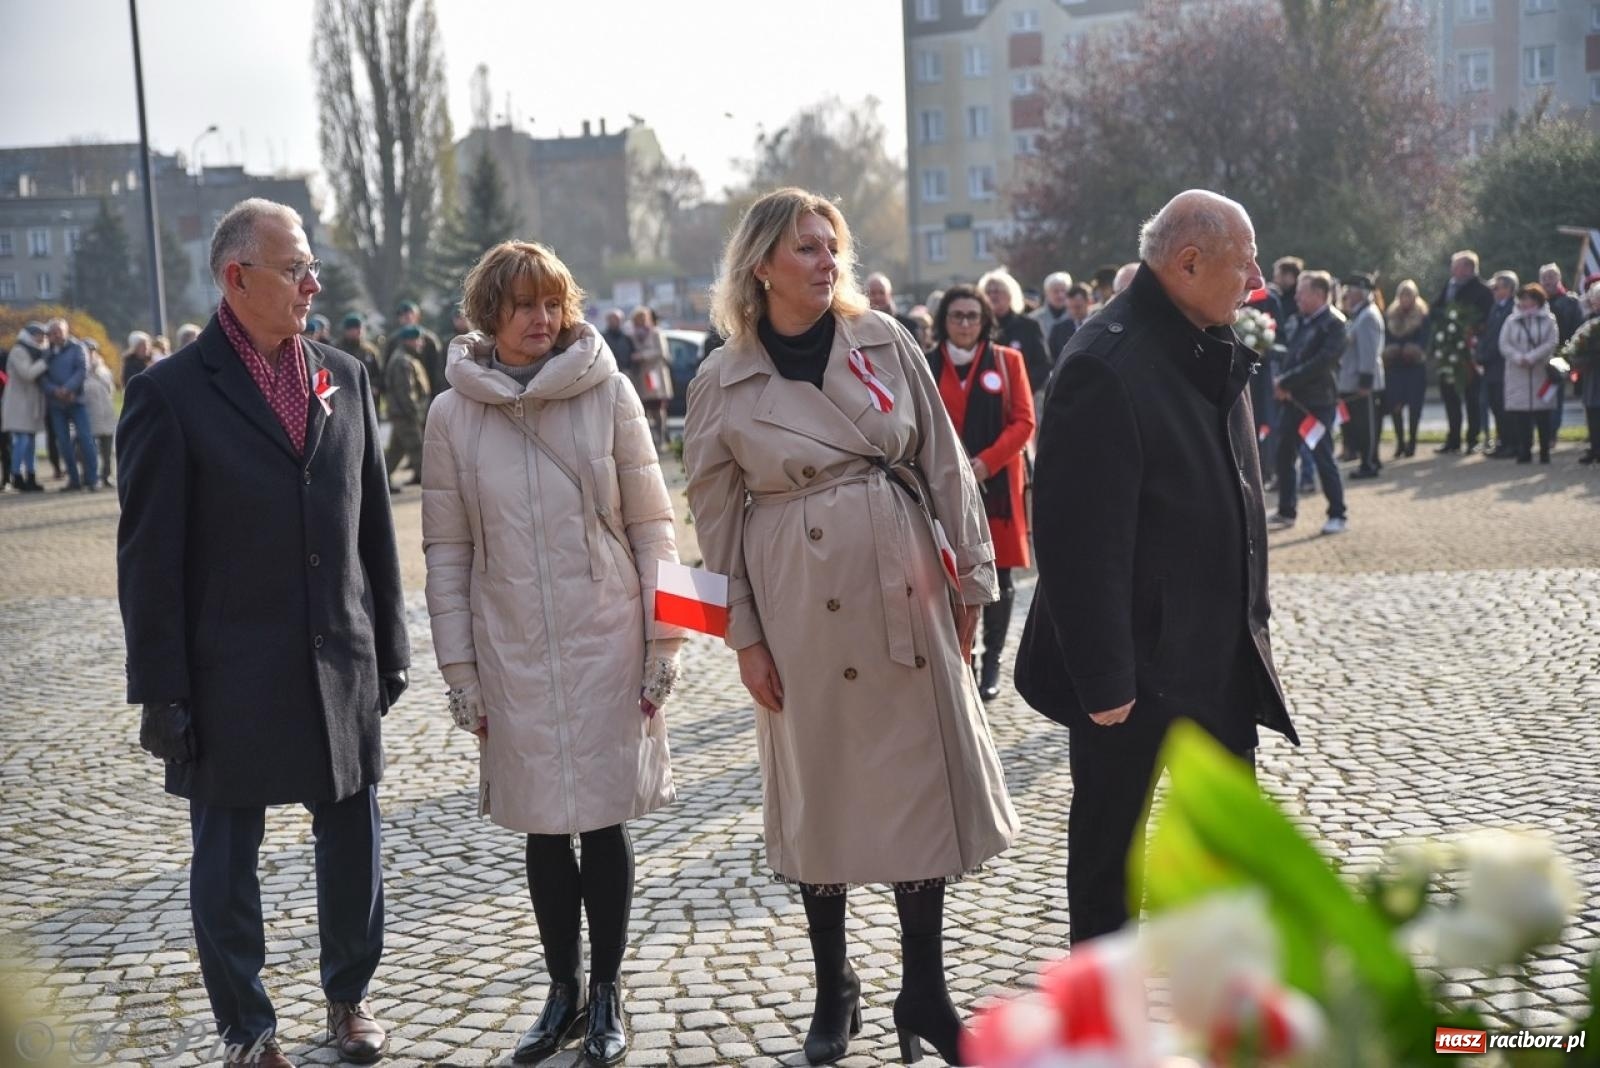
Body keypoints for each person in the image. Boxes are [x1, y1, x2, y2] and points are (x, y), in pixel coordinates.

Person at [684, 187, 1017, 1066]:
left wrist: (973, 577)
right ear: (761, 265)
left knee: (916, 793)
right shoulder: (723, 378)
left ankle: (926, 992)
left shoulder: (886, 340)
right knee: (819, 794)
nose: (827, 261)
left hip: (901, 582)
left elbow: (943, 460)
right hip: (799, 603)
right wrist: (744, 637)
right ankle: (834, 986)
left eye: (832, 245)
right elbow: (712, 524)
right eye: (806, 248)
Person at [116, 198, 408, 1068]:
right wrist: (161, 690)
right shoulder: (166, 394)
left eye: (311, 266)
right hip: (227, 669)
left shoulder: (344, 377)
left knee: (353, 837)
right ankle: (248, 1027)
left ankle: (349, 1000)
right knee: (227, 855)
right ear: (236, 278)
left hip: (339, 656)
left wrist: (388, 642)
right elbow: (148, 563)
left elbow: (373, 532)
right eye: (294, 269)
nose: (311, 283)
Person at [423, 240, 683, 1067]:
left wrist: (664, 638)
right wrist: (459, 670)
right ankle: (561, 989)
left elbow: (652, 524)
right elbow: (447, 552)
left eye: (554, 303)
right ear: (488, 315)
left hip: (606, 632)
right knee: (541, 824)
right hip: (512, 643)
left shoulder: (609, 393)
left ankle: (606, 992)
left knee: (602, 819)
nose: (542, 319)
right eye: (525, 305)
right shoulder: (450, 415)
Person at [1014, 190, 1296, 944]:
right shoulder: (1107, 362)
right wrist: (1104, 680)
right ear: (1188, 262)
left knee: (1234, 860)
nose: (1258, 277)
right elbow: (1077, 540)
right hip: (1133, 677)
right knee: (1111, 868)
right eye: (1245, 262)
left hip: (1216, 661)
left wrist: (1250, 628)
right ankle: (1108, 1035)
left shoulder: (1205, 333)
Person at [926, 285, 1036, 703]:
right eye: (958, 316)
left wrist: (985, 462)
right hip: (943, 487)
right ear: (944, 321)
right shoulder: (925, 363)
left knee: (1000, 577)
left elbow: (1024, 422)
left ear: (985, 320)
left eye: (973, 316)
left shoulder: (1008, 363)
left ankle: (992, 662)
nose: (966, 324)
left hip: (996, 489)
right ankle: (963, 660)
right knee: (951, 578)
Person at [1270, 271, 1348, 534]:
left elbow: (1321, 363)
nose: (1297, 297)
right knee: (1284, 454)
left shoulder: (1335, 324)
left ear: (1318, 294)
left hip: (1317, 403)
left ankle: (1338, 514)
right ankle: (1286, 510)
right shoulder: (1301, 321)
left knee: (1323, 457)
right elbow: (1293, 355)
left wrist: (1285, 382)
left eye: (1302, 293)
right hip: (1291, 401)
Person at [1430, 251, 1495, 454]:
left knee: (1472, 397)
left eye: (1456, 266)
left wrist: (1470, 329)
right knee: (1449, 395)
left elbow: (1486, 320)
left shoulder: (1483, 291)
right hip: (1449, 349)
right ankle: (1453, 439)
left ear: (1468, 268)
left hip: (1470, 352)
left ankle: (1472, 439)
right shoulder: (1449, 286)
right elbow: (1435, 309)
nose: (1453, 270)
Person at [1499, 283, 1560, 465]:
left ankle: (1544, 452)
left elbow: (1551, 342)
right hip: (1518, 373)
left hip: (1540, 372)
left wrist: (1533, 357)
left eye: (1530, 299)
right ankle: (1524, 451)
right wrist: (1519, 358)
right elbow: (1504, 344)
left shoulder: (1548, 320)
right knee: (1522, 416)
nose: (1526, 302)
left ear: (1538, 300)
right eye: (1523, 298)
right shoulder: (1511, 320)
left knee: (1543, 416)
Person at [1338, 274, 1385, 479]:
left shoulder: (1367, 317)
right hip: (1354, 379)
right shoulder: (1360, 314)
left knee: (1366, 425)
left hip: (1362, 381)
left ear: (1362, 293)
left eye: (1351, 290)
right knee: (1361, 424)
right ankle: (1369, 460)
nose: (1346, 294)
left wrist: (1365, 382)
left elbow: (1369, 353)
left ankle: (1368, 464)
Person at [42, 319, 97, 492]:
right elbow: (42, 377)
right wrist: (55, 391)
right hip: (56, 404)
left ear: (66, 331)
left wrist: (67, 388)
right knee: (63, 443)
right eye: (53, 332)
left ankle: (91, 479)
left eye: (59, 331)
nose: (56, 335)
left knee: (86, 439)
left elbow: (82, 370)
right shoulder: (46, 353)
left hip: (76, 401)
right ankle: (74, 480)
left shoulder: (78, 347)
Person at [980, 269, 1049, 404]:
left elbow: (1043, 365)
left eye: (997, 291)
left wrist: (1021, 388)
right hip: (986, 400)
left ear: (1010, 294)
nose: (993, 296)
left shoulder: (1029, 326)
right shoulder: (979, 328)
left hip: (1023, 398)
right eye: (988, 292)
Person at [1383, 281, 1430, 459]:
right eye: (1403, 295)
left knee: (1414, 408)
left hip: (1414, 368)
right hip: (1395, 367)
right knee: (1395, 406)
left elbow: (1425, 340)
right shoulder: (1390, 316)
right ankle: (1400, 441)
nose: (1405, 299)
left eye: (1409, 295)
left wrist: (1414, 350)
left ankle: (1412, 442)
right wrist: (1390, 351)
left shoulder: (1422, 316)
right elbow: (1386, 339)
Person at [3, 323, 50, 492]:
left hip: (31, 403)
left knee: (30, 442)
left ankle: (31, 476)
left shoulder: (38, 351)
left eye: (44, 335)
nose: (42, 338)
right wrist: (45, 361)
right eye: (39, 334)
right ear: (29, 335)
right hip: (19, 402)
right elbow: (27, 373)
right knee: (22, 440)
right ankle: (16, 475)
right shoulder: (19, 350)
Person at [383, 325, 431, 491]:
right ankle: (432, 485)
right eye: (418, 340)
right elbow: (405, 392)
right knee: (418, 449)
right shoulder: (403, 361)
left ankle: (380, 482)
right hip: (405, 414)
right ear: (409, 341)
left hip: (402, 414)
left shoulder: (405, 358)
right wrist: (415, 413)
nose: (420, 343)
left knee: (396, 451)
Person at [1478, 271, 1518, 458]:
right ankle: (1503, 441)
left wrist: (1486, 355)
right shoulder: (1495, 308)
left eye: (1497, 287)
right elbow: (1488, 336)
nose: (1494, 291)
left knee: (1505, 406)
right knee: (1495, 404)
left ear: (1509, 289)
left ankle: (1512, 443)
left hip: (1503, 365)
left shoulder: (1513, 309)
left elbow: (1503, 339)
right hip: (1492, 365)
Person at [1541, 264, 1583, 434]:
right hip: (1541, 355)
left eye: (1551, 276)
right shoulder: (1537, 302)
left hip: (1560, 354)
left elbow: (1577, 328)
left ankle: (1552, 433)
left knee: (1555, 394)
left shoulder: (1571, 301)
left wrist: (1570, 353)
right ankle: (1544, 432)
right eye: (1544, 277)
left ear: (1558, 278)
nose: (1547, 281)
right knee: (1542, 396)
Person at [628, 306, 673, 447]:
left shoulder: (655, 333)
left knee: (658, 407)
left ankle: (661, 439)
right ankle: (648, 441)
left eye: (643, 318)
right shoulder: (631, 335)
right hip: (639, 376)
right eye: (638, 318)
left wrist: (642, 356)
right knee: (643, 409)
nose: (641, 321)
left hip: (654, 375)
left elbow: (661, 352)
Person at [383, 300, 445, 402]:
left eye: (410, 315)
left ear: (417, 316)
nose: (407, 318)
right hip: (400, 395)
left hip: (428, 391)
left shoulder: (430, 340)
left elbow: (438, 368)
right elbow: (387, 369)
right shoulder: (393, 341)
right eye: (403, 316)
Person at [84, 341, 117, 488]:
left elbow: (111, 389)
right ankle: (91, 475)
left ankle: (107, 474)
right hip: (90, 414)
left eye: (93, 350)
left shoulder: (103, 369)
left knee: (107, 449)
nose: (91, 353)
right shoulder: (82, 370)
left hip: (106, 412)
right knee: (90, 449)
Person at [334, 313, 384, 408]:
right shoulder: (336, 350)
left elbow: (379, 374)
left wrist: (374, 387)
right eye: (351, 329)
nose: (355, 331)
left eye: (358, 328)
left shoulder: (370, 351)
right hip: (344, 399)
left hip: (368, 398)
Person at [1577, 281, 1600, 465]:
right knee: (1592, 410)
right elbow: (1577, 345)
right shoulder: (1589, 322)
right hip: (1592, 374)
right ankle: (1595, 447)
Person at [865, 271, 923, 340]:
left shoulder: (908, 326)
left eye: (882, 292)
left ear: (890, 294)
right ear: (866, 295)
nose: (877, 297)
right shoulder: (859, 327)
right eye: (872, 293)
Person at [1031, 271, 1075, 345]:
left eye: (1063, 291)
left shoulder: (1076, 316)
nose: (1060, 295)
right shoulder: (1035, 319)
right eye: (1056, 291)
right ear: (1046, 293)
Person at [601, 308, 636, 377]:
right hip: (608, 373)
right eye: (612, 319)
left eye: (616, 319)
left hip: (625, 373)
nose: (614, 321)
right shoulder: (602, 338)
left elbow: (633, 354)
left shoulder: (627, 338)